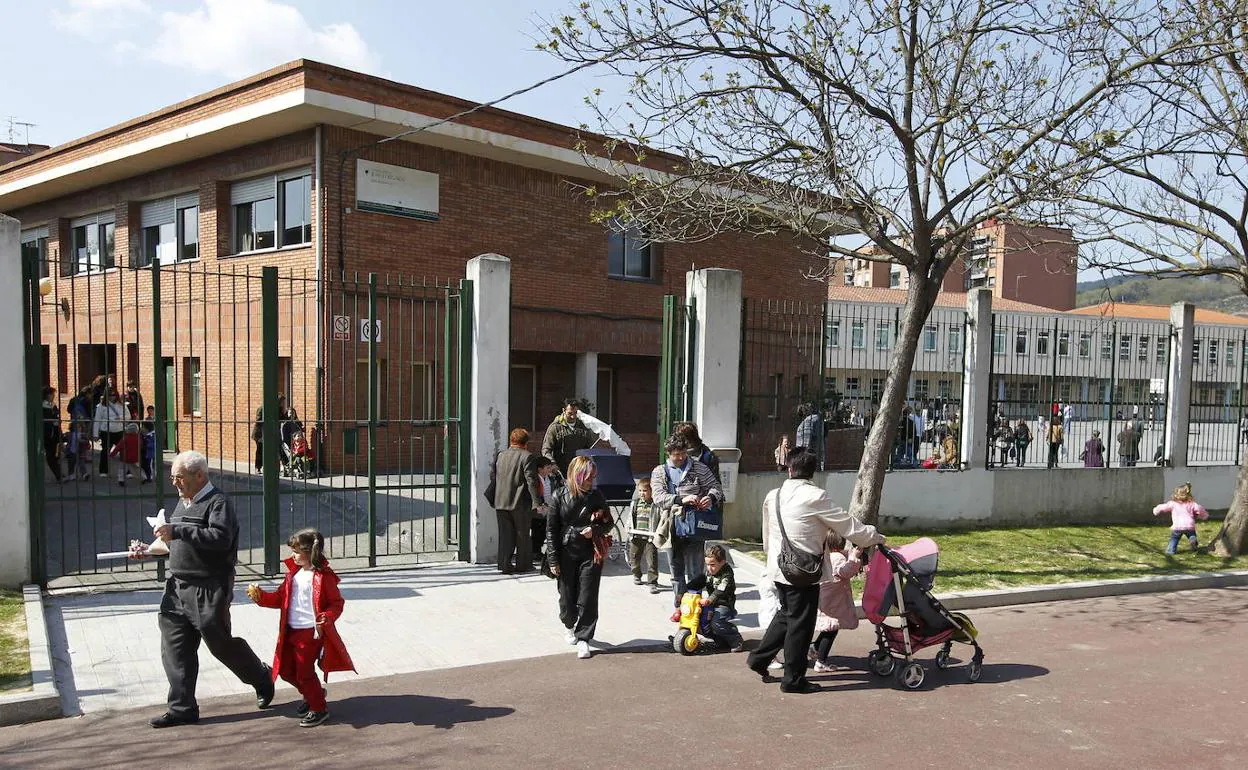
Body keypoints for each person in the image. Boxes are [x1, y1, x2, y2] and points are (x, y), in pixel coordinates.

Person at [144, 450, 274, 727]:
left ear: (199, 475)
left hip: (208, 587)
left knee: (220, 645)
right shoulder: (184, 503)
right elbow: (180, 544)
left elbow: (219, 539)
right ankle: (182, 708)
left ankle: (261, 676)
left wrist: (177, 531)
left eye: (179, 478)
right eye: (173, 478)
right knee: (174, 649)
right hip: (177, 587)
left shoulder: (218, 503)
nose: (175, 484)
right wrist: (151, 550)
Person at [747, 449, 885, 694]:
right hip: (804, 571)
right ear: (813, 471)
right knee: (800, 624)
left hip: (779, 567)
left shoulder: (773, 495)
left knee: (786, 614)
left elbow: (767, 535)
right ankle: (793, 679)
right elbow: (849, 527)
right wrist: (875, 537)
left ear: (789, 468)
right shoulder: (815, 496)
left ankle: (759, 659)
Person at [247, 528, 355, 728]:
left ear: (309, 551)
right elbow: (280, 598)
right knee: (286, 670)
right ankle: (312, 693)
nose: (292, 555)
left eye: (296, 551)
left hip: (310, 632)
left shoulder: (324, 576)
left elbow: (336, 603)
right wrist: (261, 597)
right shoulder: (293, 574)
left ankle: (319, 708)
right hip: (290, 629)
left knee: (304, 672)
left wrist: (328, 617)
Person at [545, 456, 614, 659]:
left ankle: (584, 638)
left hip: (590, 551)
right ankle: (569, 624)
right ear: (577, 475)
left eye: (593, 476)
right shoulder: (559, 495)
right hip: (566, 550)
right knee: (566, 598)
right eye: (587, 477)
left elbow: (608, 523)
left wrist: (594, 529)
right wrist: (553, 560)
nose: (591, 481)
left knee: (588, 596)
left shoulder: (596, 496)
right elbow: (551, 530)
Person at [651, 434, 724, 619]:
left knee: (695, 570)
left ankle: (695, 608)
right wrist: (680, 500)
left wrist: (711, 498)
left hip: (695, 526)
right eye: (676, 455)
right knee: (676, 570)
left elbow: (716, 487)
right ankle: (680, 607)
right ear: (668, 454)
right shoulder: (659, 471)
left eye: (683, 453)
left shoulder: (699, 468)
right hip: (671, 526)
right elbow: (658, 497)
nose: (681, 458)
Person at [490, 427, 542, 574]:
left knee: (505, 535)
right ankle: (523, 564)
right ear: (526, 442)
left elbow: (495, 476)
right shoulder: (527, 457)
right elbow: (531, 481)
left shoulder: (501, 455)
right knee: (522, 534)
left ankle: (504, 564)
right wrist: (536, 502)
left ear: (511, 440)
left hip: (500, 500)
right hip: (519, 502)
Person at [810, 531, 863, 673]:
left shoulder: (826, 556)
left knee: (828, 626)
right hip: (835, 600)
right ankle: (821, 661)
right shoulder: (838, 558)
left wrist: (850, 555)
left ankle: (815, 647)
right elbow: (845, 572)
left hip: (825, 597)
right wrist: (854, 558)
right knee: (831, 629)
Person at [684, 544, 743, 652]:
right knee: (698, 619)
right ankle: (718, 639)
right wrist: (685, 590)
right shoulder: (709, 571)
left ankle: (736, 639)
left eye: (712, 565)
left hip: (724, 604)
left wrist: (710, 599)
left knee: (716, 623)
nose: (709, 568)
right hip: (711, 603)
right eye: (707, 565)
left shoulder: (727, 574)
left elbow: (721, 589)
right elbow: (701, 580)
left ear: (722, 562)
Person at [541, 399, 598, 476]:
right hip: (560, 472)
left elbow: (591, 448)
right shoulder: (555, 427)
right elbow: (546, 450)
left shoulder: (584, 427)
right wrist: (552, 464)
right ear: (563, 410)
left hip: (579, 472)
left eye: (576, 413)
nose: (573, 416)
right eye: (570, 413)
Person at [1153, 482, 1209, 555]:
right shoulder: (1192, 504)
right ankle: (1193, 541)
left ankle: (1170, 551)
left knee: (1174, 539)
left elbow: (1163, 507)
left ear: (1176, 495)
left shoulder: (1173, 503)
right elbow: (1199, 509)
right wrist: (1205, 516)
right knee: (1191, 535)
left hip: (1178, 526)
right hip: (1189, 526)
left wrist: (1156, 510)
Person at [628, 477, 660, 592]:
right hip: (636, 536)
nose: (642, 493)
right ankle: (636, 574)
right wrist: (629, 528)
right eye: (640, 490)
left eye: (645, 491)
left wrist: (658, 533)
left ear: (651, 492)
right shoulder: (636, 503)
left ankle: (652, 582)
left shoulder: (656, 505)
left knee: (652, 560)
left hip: (650, 538)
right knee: (634, 557)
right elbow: (630, 518)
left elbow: (660, 519)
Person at [93, 389, 128, 478]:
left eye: (114, 395)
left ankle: (128, 470)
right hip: (106, 431)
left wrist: (120, 418)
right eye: (110, 395)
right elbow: (97, 420)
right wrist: (95, 434)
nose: (112, 397)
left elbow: (128, 416)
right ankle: (103, 471)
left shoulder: (121, 405)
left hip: (119, 430)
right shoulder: (101, 406)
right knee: (105, 451)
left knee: (124, 450)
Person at [251, 395, 289, 474]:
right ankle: (258, 467)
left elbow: (283, 420)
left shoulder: (279, 409)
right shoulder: (262, 408)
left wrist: (286, 414)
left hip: (272, 433)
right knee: (260, 451)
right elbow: (258, 421)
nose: (282, 403)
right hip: (260, 433)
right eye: (281, 402)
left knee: (275, 450)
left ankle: (278, 467)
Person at [532, 455, 559, 564]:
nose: (549, 470)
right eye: (547, 468)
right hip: (538, 510)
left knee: (544, 530)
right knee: (536, 531)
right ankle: (535, 551)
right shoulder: (535, 479)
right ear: (540, 469)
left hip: (548, 508)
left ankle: (538, 550)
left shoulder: (551, 479)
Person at [40, 386, 64, 483]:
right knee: (50, 456)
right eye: (51, 394)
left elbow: (57, 417)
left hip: (55, 433)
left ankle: (59, 473)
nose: (53, 396)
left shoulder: (53, 405)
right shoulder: (42, 406)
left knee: (56, 455)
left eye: (53, 394)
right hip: (46, 433)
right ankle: (58, 475)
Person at [794, 404, 824, 470]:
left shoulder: (808, 421)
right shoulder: (816, 420)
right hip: (815, 455)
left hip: (807, 459)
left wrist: (803, 459)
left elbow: (806, 442)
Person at [141, 405, 157, 482]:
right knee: (146, 465)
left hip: (150, 453)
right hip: (146, 453)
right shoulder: (147, 419)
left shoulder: (151, 436)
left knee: (150, 465)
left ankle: (150, 477)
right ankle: (148, 476)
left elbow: (151, 444)